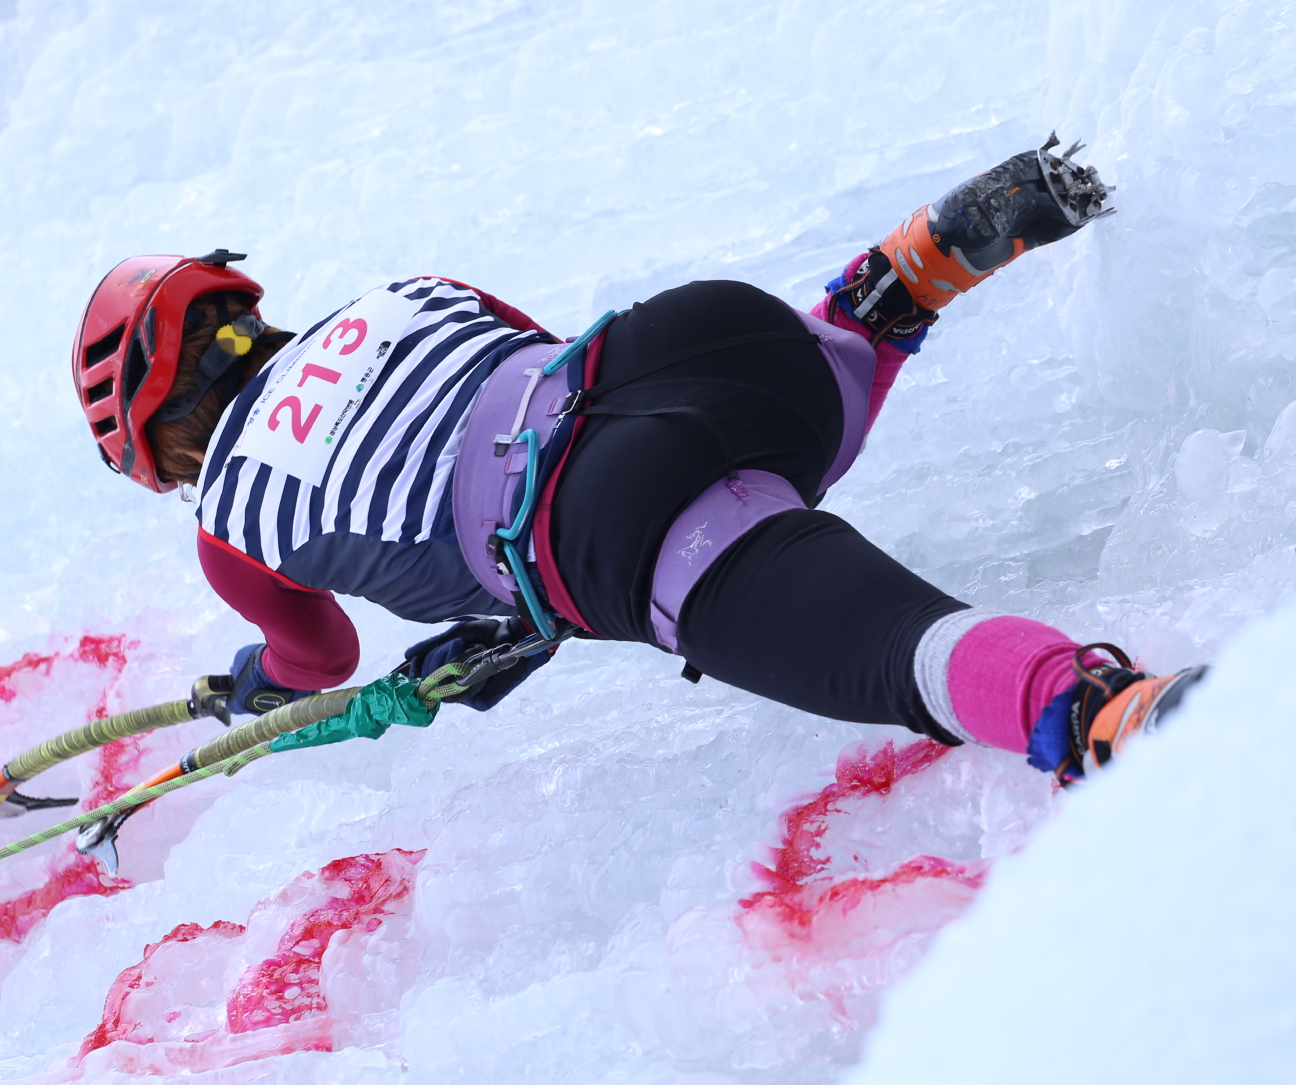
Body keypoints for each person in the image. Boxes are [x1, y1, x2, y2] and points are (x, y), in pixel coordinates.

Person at [70, 138, 1203, 783]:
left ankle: (1102, 712)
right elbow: (531, 360)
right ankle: (894, 284)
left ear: (161, 439)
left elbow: (320, 659)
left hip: (606, 519)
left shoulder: (232, 520)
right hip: (689, 344)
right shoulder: (395, 295)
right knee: (798, 395)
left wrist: (253, 685)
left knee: (896, 648)